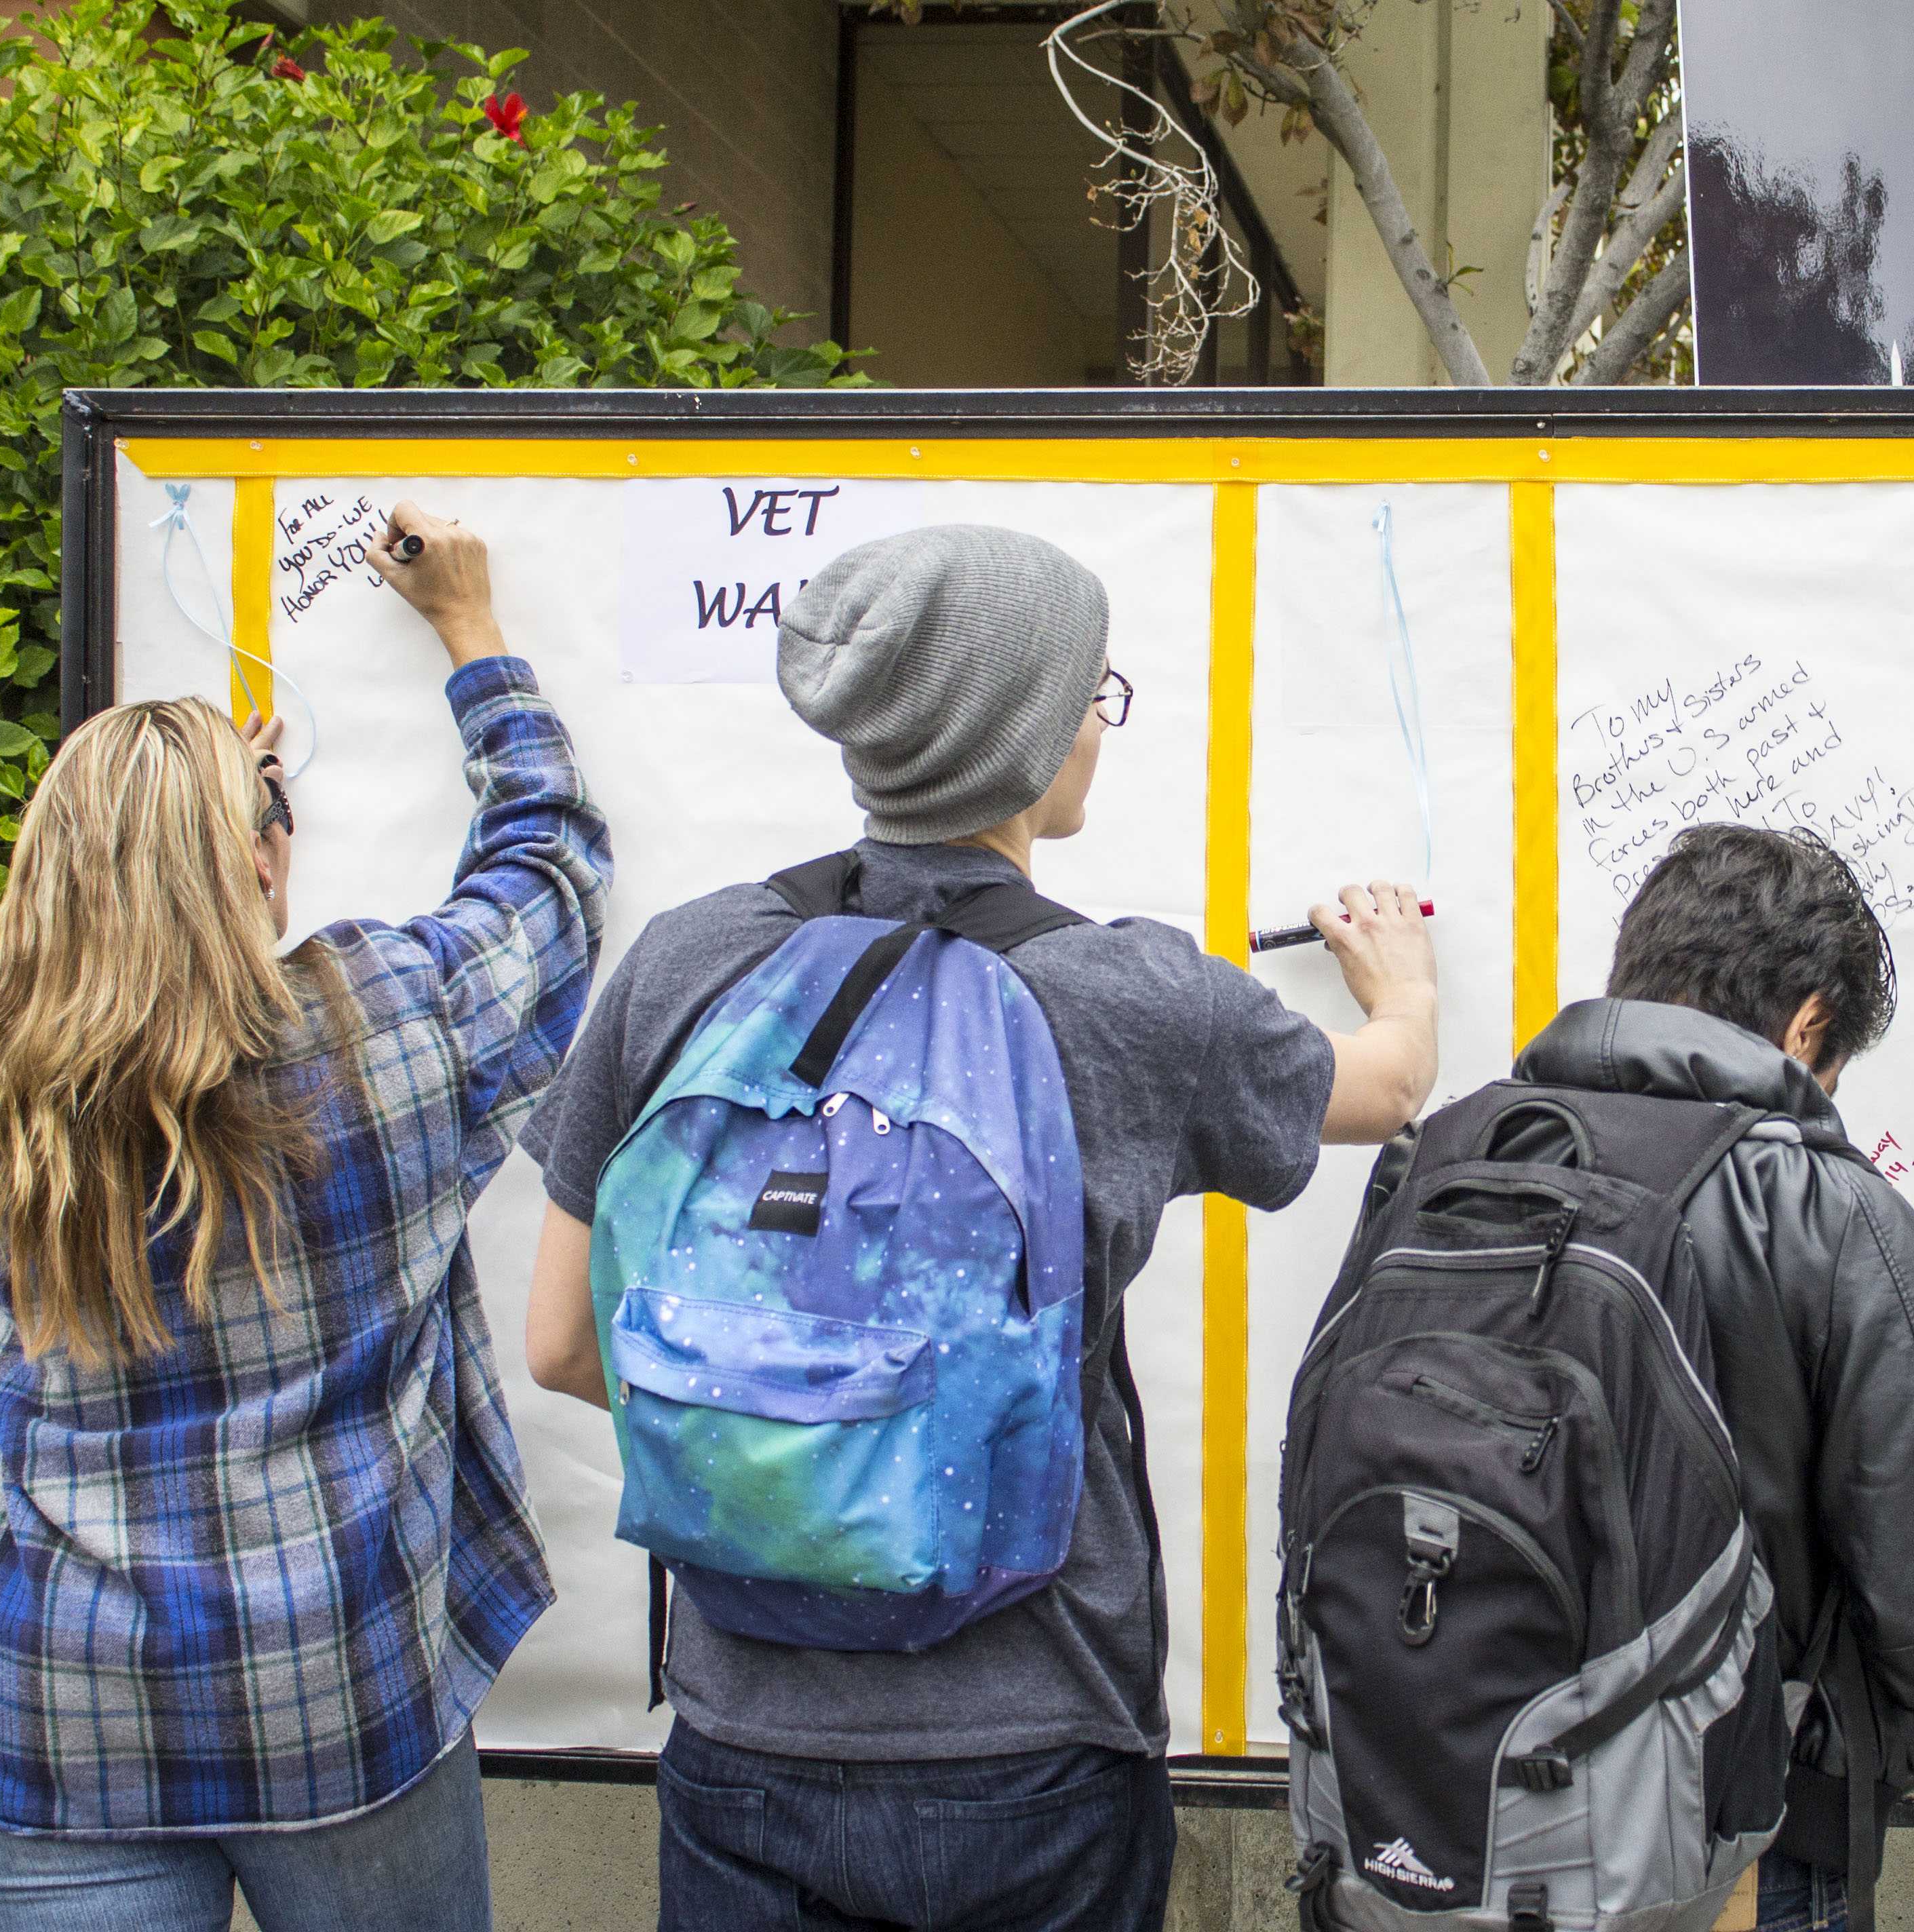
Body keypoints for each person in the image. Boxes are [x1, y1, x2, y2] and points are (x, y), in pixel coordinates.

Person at [520, 523, 1439, 1932]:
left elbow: (567, 1342)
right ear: (1029, 731)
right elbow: (1384, 1088)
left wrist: (794, 1459)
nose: (1097, 724)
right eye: (1093, 692)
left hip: (738, 1729)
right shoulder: (1132, 997)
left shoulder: (689, 960)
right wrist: (1403, 984)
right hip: (1034, 1739)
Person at [0, 507, 608, 1932]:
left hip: (56, 1702)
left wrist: (191, 815)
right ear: (253, 861)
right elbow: (548, 870)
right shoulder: (383, 1031)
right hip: (328, 1693)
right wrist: (472, 633)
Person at [1493, 821, 1914, 1932]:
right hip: (1741, 1851)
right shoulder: (1819, 1210)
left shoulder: (1450, 1167)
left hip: (1457, 1828)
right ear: (1805, 1029)